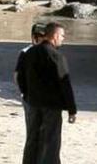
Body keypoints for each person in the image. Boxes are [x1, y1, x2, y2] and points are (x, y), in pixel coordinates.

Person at [18, 22, 77, 164]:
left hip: (32, 102)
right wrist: (72, 109)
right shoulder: (57, 57)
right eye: (62, 36)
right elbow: (65, 84)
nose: (63, 39)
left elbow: (20, 77)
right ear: (55, 36)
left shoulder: (29, 53)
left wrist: (26, 94)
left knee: (32, 138)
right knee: (51, 140)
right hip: (52, 105)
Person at [15, 24, 46, 164]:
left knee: (43, 134)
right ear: (33, 37)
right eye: (39, 37)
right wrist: (24, 93)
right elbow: (17, 76)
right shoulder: (25, 52)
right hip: (30, 99)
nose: (41, 40)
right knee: (33, 133)